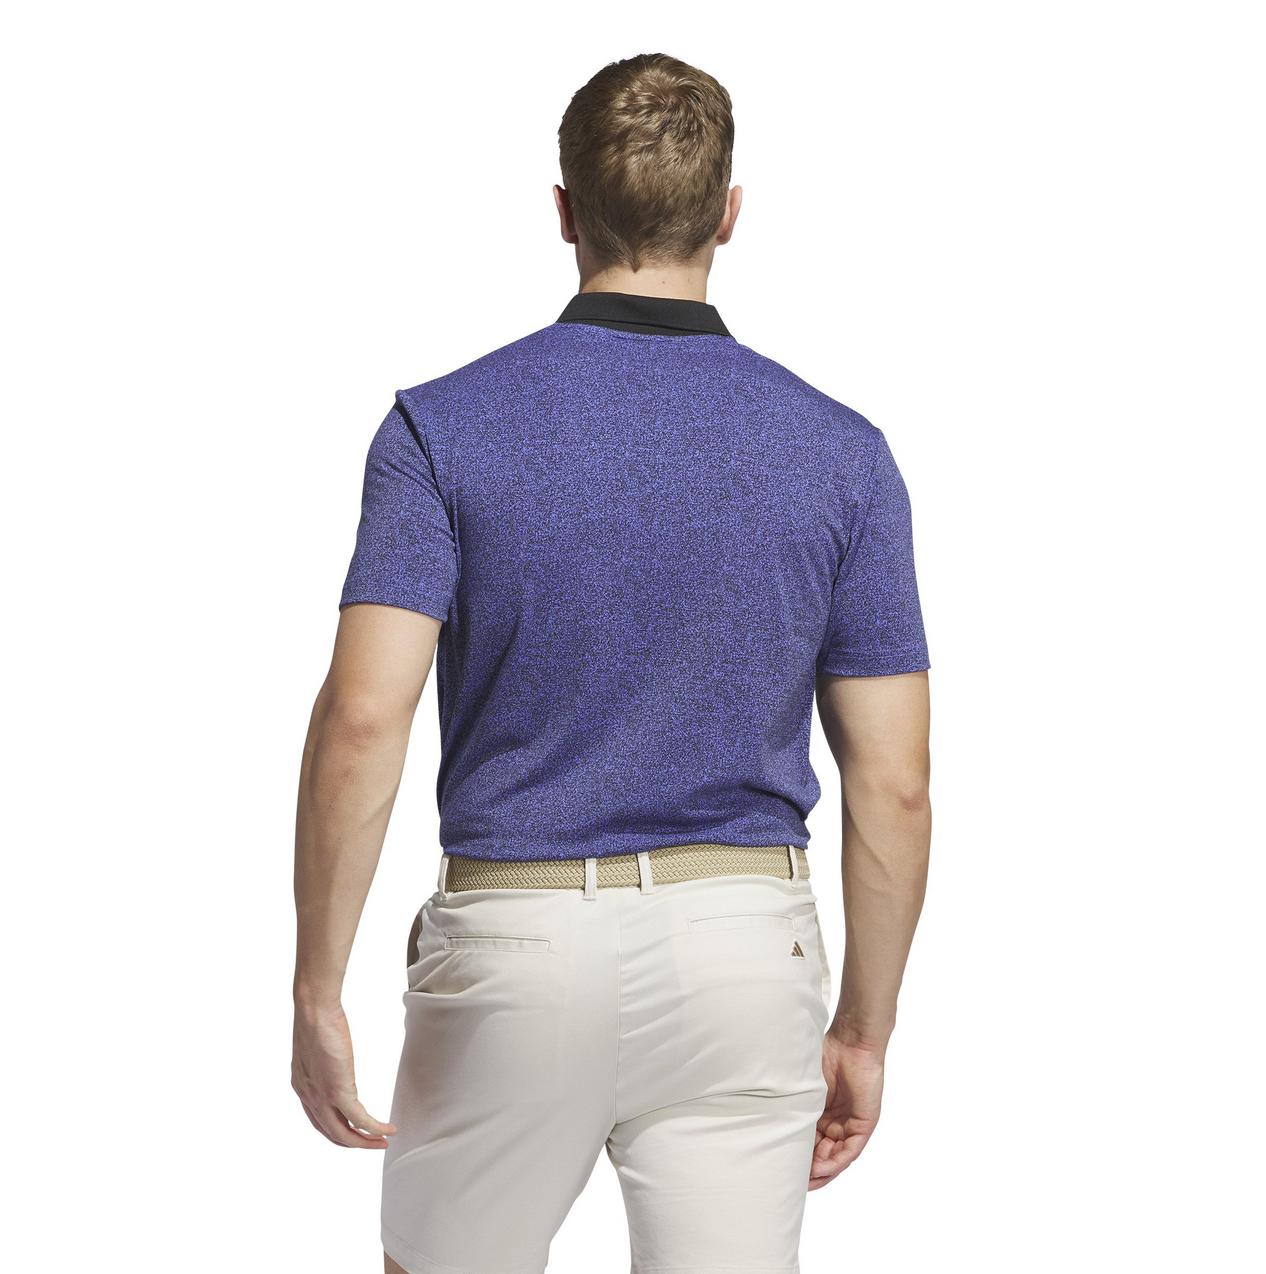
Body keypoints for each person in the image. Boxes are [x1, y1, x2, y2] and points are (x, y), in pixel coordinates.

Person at [291, 51, 932, 1274]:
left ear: (565, 210)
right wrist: (863, 1026)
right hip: (744, 948)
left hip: (515, 941)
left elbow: (362, 719)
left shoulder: (438, 428)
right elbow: (893, 782)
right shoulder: (842, 453)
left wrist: (316, 988)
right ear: (727, 213)